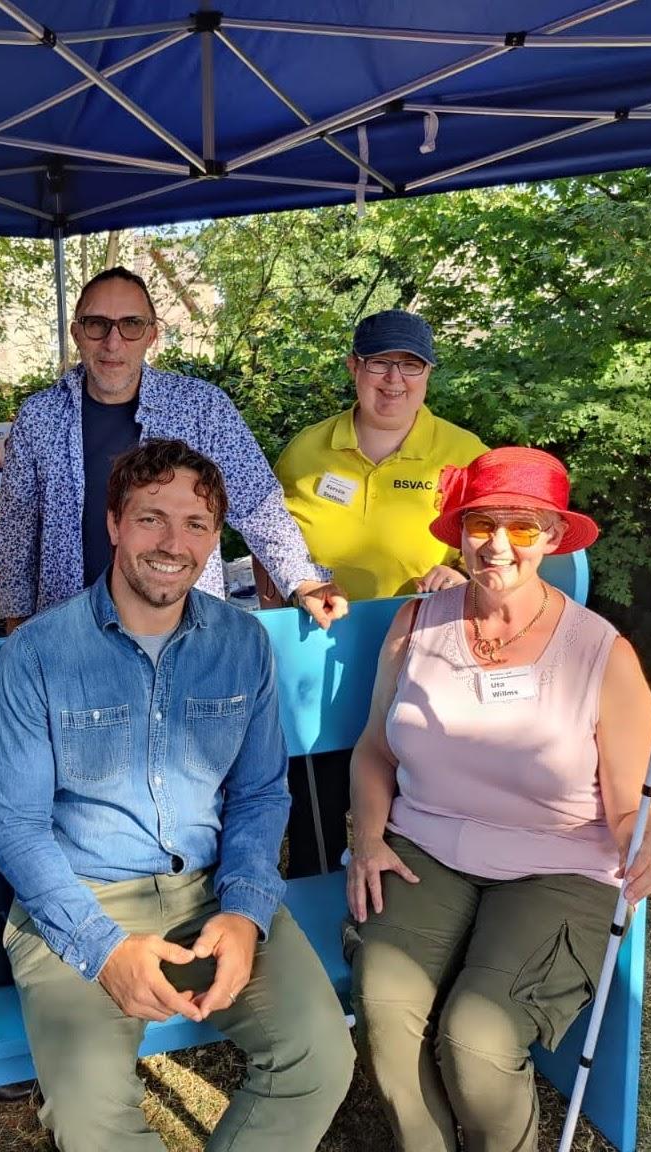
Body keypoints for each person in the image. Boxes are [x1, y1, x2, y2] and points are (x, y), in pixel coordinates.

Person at [0, 439, 353, 1152]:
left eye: (195, 525)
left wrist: (244, 914)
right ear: (115, 523)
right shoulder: (39, 652)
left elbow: (258, 795)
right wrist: (102, 949)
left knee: (318, 1058)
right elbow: (15, 826)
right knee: (93, 1123)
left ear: (215, 539)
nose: (172, 544)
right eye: (151, 519)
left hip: (210, 893)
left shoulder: (241, 643)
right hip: (79, 902)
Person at [344, 446, 651, 1152]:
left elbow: (646, 806)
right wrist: (367, 839)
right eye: (481, 523)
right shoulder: (415, 624)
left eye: (523, 527)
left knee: (476, 1039)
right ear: (456, 531)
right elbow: (375, 749)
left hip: (555, 864)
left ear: (553, 538)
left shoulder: (601, 652)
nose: (497, 544)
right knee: (383, 1005)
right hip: (424, 848)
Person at [0, 265, 347, 634]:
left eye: (131, 325)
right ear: (76, 332)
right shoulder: (40, 416)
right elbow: (17, 532)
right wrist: (18, 628)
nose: (113, 343)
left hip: (182, 636)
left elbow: (258, 504)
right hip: (69, 633)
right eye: (97, 324)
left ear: (151, 335)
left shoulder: (203, 409)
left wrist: (303, 580)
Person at [260, 309, 488, 877]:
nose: (394, 380)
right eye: (380, 363)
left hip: (422, 659)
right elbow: (270, 546)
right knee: (315, 799)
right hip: (318, 658)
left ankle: (400, 903)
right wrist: (277, 632)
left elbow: (496, 548)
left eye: (410, 366)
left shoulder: (464, 454)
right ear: (354, 368)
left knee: (406, 801)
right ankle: (315, 893)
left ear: (429, 375)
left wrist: (460, 573)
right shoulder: (306, 452)